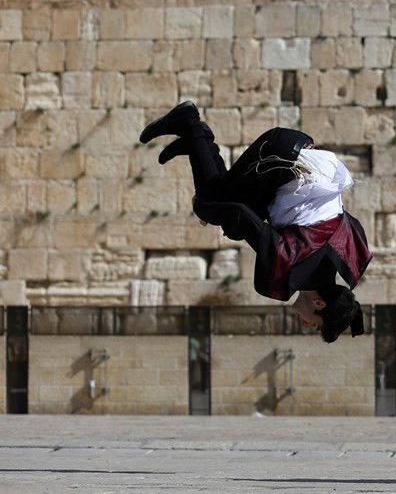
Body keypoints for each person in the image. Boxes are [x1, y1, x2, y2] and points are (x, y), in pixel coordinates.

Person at [139, 103, 372, 341]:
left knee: (228, 214)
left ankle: (196, 143)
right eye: (316, 326)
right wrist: (203, 210)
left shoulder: (327, 265)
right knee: (214, 202)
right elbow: (240, 214)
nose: (305, 325)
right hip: (282, 156)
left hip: (301, 153)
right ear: (319, 304)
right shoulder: (294, 266)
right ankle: (190, 125)